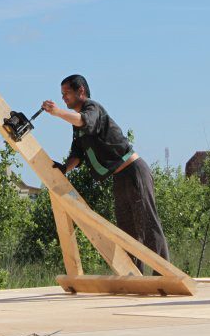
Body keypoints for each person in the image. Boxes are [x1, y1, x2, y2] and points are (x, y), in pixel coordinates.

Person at [41, 74, 171, 266]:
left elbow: (84, 120)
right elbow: (77, 154)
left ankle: (164, 275)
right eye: (62, 94)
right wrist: (65, 168)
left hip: (134, 170)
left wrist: (57, 112)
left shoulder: (92, 108)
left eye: (67, 93)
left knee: (147, 223)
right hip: (119, 177)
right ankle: (135, 277)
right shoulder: (76, 127)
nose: (63, 98)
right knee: (127, 230)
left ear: (81, 91)